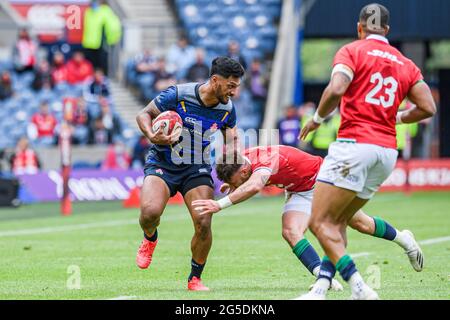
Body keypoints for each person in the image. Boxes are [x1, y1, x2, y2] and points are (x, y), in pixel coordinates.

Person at [297, 3, 436, 300]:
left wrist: (318, 119)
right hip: (386, 152)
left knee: (318, 221)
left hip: (354, 146)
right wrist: (396, 117)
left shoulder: (352, 51)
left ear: (359, 27)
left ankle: (359, 285)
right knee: (338, 222)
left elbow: (336, 89)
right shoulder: (405, 63)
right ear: (386, 30)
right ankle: (321, 288)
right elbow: (427, 107)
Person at [192, 145, 424, 292]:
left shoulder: (263, 164)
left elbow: (254, 185)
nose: (233, 187)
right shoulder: (243, 160)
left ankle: (404, 240)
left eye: (234, 182)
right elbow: (246, 180)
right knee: (291, 231)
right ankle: (323, 279)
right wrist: (232, 184)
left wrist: (219, 204)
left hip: (322, 180)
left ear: (243, 171)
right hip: (299, 188)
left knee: (359, 224)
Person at [135, 56, 245, 291]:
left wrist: (233, 175)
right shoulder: (177, 94)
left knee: (204, 222)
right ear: (215, 80)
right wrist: (152, 136)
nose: (235, 92)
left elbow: (232, 142)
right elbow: (143, 114)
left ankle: (195, 278)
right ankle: (150, 238)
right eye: (231, 86)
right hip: (163, 162)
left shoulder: (227, 109)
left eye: (236, 86)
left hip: (197, 166)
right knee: (149, 214)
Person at [82, 0, 122, 74]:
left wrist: (112, 39)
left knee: (101, 66)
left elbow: (113, 27)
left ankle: (103, 82)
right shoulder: (89, 11)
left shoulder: (105, 11)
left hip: (101, 44)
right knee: (91, 66)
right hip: (90, 43)